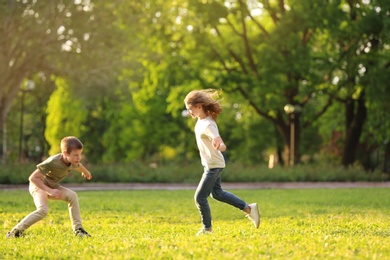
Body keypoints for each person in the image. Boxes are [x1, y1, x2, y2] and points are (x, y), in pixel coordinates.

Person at [184, 89, 260, 236]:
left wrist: (219, 145)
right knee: (217, 194)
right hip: (211, 164)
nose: (189, 112)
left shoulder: (208, 124)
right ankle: (249, 209)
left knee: (200, 197)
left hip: (214, 166)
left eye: (190, 109)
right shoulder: (201, 121)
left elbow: (221, 144)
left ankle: (207, 229)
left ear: (199, 106)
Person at [6, 136, 92, 238]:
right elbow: (32, 178)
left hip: (52, 186)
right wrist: (49, 190)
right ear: (65, 153)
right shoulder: (52, 162)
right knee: (43, 210)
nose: (79, 158)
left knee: (72, 196)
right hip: (38, 186)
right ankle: (15, 232)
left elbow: (79, 166)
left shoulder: (72, 161)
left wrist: (86, 173)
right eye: (76, 155)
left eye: (80, 154)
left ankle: (78, 230)